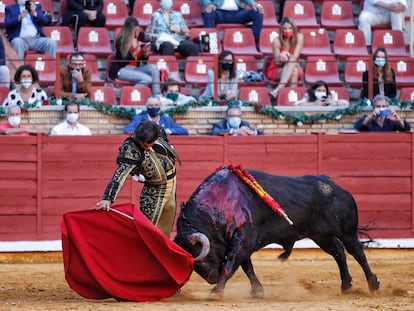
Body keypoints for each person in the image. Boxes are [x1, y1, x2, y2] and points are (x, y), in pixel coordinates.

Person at [96, 120, 179, 237]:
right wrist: (108, 198)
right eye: (143, 144)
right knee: (148, 229)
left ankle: (161, 252)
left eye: (148, 144)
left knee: (166, 224)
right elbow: (121, 174)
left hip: (172, 181)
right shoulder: (130, 149)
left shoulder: (157, 130)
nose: (146, 147)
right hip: (155, 190)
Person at [109, 16, 161, 95]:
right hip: (122, 69)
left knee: (154, 68)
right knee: (147, 79)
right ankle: (129, 95)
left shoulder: (140, 36)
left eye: (137, 30)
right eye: (135, 30)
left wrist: (145, 54)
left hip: (135, 68)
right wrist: (136, 52)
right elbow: (122, 61)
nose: (137, 32)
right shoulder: (121, 40)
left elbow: (142, 61)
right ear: (129, 31)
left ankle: (157, 95)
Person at [199, 0, 264, 49]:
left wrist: (253, 4)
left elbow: (251, 2)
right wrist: (209, 4)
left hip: (237, 14)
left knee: (258, 12)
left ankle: (254, 41)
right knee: (208, 13)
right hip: (219, 13)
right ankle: (211, 43)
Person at [268, 17, 304, 99]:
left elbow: (294, 57)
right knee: (294, 71)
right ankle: (292, 100)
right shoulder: (276, 41)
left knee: (292, 62)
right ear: (281, 30)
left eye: (289, 28)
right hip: (278, 69)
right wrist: (281, 57)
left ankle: (278, 89)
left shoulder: (299, 37)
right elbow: (277, 63)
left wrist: (287, 55)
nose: (287, 31)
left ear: (294, 28)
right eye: (284, 29)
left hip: (296, 65)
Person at [124, 96, 189, 135]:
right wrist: (144, 132)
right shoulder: (138, 119)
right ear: (146, 106)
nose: (153, 107)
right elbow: (127, 129)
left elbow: (184, 131)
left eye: (156, 105)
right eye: (151, 105)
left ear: (160, 106)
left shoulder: (167, 120)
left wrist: (168, 131)